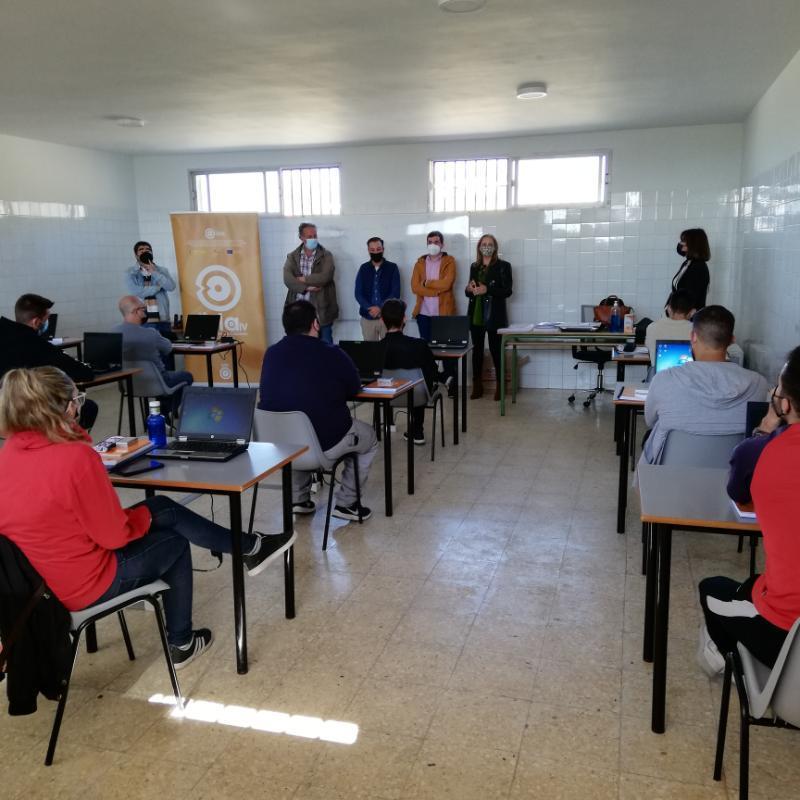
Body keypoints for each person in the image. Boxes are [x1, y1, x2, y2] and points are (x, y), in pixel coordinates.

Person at [0, 367, 294, 669]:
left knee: (163, 508)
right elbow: (113, 536)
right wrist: (142, 521)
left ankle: (250, 547)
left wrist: (142, 518)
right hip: (82, 584)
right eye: (78, 399)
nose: (80, 406)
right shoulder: (74, 458)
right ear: (65, 408)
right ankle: (182, 642)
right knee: (175, 542)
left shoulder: (7, 454)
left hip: (37, 585)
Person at [698, 346, 800, 675]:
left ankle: (736, 667)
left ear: (784, 402)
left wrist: (767, 427)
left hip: (786, 632)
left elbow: (737, 492)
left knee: (713, 588)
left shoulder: (765, 452)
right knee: (753, 584)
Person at [258, 300, 376, 521]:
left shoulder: (271, 354)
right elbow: (354, 387)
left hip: (280, 448)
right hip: (323, 445)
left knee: (294, 427)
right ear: (315, 323)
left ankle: (298, 499)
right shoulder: (332, 353)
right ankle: (347, 503)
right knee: (368, 438)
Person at [641, 305, 768, 465]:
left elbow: (650, 421)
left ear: (693, 337)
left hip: (670, 476)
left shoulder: (664, 379)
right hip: (730, 479)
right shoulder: (759, 384)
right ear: (732, 340)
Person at [0, 293, 98, 430]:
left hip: (4, 410)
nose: (47, 324)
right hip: (25, 412)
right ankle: (70, 448)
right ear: (35, 322)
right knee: (88, 407)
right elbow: (84, 373)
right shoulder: (36, 344)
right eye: (46, 319)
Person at [114, 295, 194, 416]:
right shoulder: (150, 333)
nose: (146, 311)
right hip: (158, 383)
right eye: (143, 308)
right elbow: (168, 348)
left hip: (128, 385)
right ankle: (162, 413)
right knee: (186, 376)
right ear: (136, 311)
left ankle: (158, 414)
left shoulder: (113, 332)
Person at [381, 298, 442, 445]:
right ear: (404, 318)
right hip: (418, 397)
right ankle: (417, 430)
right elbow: (433, 372)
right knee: (420, 381)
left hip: (387, 397)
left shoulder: (377, 349)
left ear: (382, 321)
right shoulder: (420, 345)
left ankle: (387, 426)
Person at [464, 234, 513, 401]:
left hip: (494, 315)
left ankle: (500, 386)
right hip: (475, 314)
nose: (486, 246)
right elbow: (468, 290)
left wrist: (488, 290)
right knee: (476, 351)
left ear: (495, 247)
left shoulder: (503, 266)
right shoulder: (474, 266)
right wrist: (469, 289)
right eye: (483, 244)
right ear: (479, 247)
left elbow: (507, 291)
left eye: (490, 244)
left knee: (495, 350)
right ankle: (477, 385)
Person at [283, 222, 339, 344]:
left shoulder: (326, 255)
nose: (313, 239)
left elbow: (325, 277)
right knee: (299, 348)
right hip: (299, 311)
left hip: (321, 310)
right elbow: (287, 279)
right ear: (301, 238)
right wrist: (307, 288)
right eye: (309, 236)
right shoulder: (292, 256)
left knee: (325, 346)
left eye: (315, 235)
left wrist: (303, 279)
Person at [410, 230, 456, 342]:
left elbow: (447, 284)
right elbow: (415, 287)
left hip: (444, 313)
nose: (433, 245)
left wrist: (427, 283)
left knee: (445, 349)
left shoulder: (450, 261)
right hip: (423, 314)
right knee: (426, 350)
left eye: (436, 242)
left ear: (442, 245)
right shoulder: (419, 263)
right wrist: (436, 291)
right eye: (430, 242)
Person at [125, 241, 177, 337]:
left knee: (166, 349)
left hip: (163, 318)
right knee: (147, 350)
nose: (145, 251)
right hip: (143, 319)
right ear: (136, 255)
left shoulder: (162, 270)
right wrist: (157, 287)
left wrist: (154, 273)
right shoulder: (131, 272)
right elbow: (136, 291)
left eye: (148, 249)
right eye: (141, 249)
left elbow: (171, 287)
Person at [354, 237, 401, 341]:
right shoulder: (363, 268)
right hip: (367, 316)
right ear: (368, 250)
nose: (376, 252)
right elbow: (358, 293)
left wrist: (380, 307)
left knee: (389, 349)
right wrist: (370, 307)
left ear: (383, 249)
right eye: (372, 250)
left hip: (387, 317)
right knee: (370, 352)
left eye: (378, 249)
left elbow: (395, 292)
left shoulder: (392, 267)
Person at [644, 288, 695, 370]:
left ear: (668, 308)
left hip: (659, 378)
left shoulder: (652, 328)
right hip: (688, 379)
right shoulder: (698, 330)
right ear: (692, 312)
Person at [670, 228, 710, 311]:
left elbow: (691, 297)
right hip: (679, 314)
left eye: (683, 240)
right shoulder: (688, 263)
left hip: (687, 316)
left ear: (694, 244)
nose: (680, 243)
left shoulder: (698, 267)